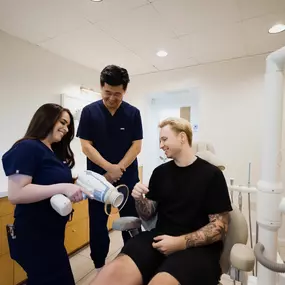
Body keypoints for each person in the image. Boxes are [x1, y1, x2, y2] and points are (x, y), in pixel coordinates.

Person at [91, 117, 233, 285]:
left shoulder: (212, 175)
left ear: (182, 137)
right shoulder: (160, 172)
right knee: (112, 274)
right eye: (160, 140)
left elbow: (219, 228)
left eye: (164, 139)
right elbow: (148, 212)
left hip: (197, 249)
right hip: (159, 238)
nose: (160, 145)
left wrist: (180, 242)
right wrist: (139, 199)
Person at [1, 103, 89, 285]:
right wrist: (63, 188)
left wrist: (73, 190)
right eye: (62, 122)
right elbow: (16, 194)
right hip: (34, 235)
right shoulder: (27, 147)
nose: (65, 129)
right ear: (46, 119)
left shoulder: (52, 152)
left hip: (52, 234)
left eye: (68, 126)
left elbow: (49, 184)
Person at [76, 64, 143, 270]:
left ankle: (133, 262)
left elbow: (136, 146)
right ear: (100, 87)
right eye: (107, 93)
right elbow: (86, 146)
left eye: (118, 94)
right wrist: (108, 169)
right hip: (97, 178)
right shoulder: (89, 112)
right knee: (97, 223)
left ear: (125, 91)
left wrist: (119, 169)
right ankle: (99, 265)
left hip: (127, 175)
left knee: (131, 221)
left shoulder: (133, 113)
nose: (112, 98)